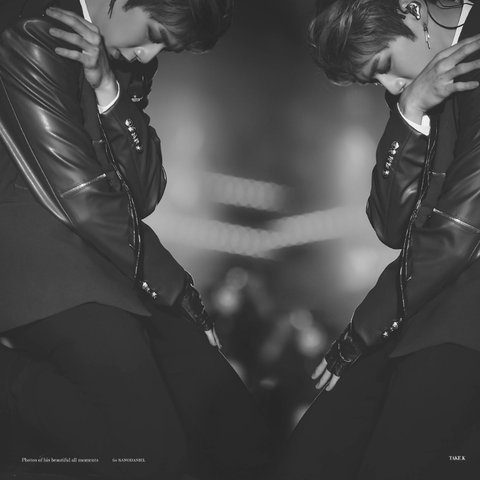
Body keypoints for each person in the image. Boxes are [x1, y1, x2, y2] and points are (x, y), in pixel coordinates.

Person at [0, 0, 272, 479]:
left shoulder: (124, 61)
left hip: (114, 259)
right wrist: (174, 286)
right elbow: (81, 198)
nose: (148, 55)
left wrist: (108, 90)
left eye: (164, 48)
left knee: (236, 431)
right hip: (46, 261)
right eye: (152, 34)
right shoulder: (40, 28)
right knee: (154, 454)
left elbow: (143, 193)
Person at [276, 0, 480, 479]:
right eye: (375, 80)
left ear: (410, 10)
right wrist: (410, 111)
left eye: (385, 65)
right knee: (309, 455)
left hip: (459, 310)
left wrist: (362, 331)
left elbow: (458, 232)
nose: (390, 85)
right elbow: (392, 226)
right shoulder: (423, 88)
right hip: (424, 303)